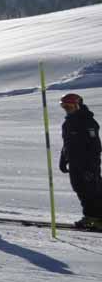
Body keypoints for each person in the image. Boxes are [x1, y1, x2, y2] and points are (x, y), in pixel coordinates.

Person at [57, 93, 102, 230]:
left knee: (92, 190)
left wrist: (91, 165)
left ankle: (96, 218)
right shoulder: (68, 122)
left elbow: (96, 145)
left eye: (69, 106)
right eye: (64, 107)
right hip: (74, 162)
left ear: (78, 105)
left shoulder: (87, 122)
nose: (67, 109)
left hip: (88, 163)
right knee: (80, 188)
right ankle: (91, 217)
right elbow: (67, 143)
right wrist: (63, 159)